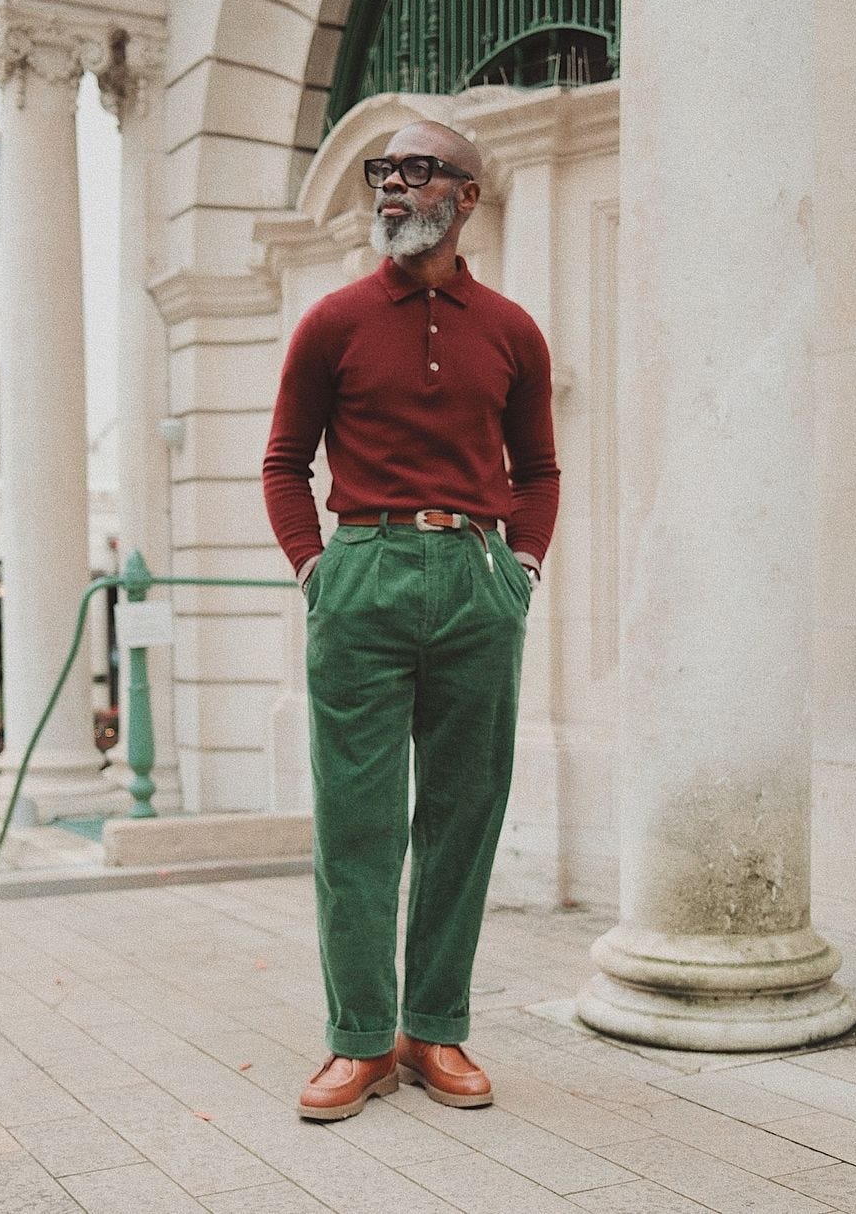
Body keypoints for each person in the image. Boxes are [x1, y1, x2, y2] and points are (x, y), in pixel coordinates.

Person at [263, 119, 560, 1121]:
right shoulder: (333, 321)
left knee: (463, 818)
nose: (392, 187)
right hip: (363, 573)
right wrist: (316, 570)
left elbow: (540, 469)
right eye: (380, 172)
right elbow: (283, 460)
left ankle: (433, 1029)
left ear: (465, 196)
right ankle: (357, 1041)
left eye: (416, 170)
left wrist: (521, 567)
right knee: (358, 824)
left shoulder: (512, 330)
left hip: (478, 579)